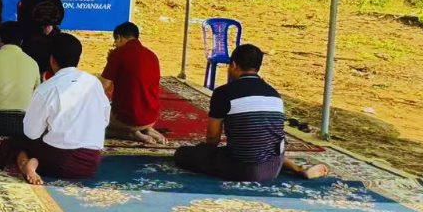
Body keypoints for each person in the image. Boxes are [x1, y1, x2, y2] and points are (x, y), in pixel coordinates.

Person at [174, 45, 329, 182]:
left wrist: (205, 154)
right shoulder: (274, 94)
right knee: (263, 147)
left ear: (234, 65)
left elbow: (213, 138)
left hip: (242, 169)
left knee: (183, 154)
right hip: (273, 167)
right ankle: (297, 168)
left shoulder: (223, 93)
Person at [0, 33, 109, 184]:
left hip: (58, 162)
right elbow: (105, 119)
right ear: (78, 58)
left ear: (52, 60)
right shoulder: (94, 83)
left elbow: (31, 133)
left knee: (15, 142)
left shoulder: (47, 88)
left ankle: (26, 165)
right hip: (90, 163)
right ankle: (35, 162)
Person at [99, 22, 165, 145]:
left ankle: (130, 133)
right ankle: (146, 129)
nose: (116, 45)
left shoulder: (118, 54)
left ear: (119, 37)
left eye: (115, 42)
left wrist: (111, 61)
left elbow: (102, 87)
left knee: (93, 124)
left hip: (127, 119)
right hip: (151, 117)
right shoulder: (152, 55)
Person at [17, 0, 65, 73]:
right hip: (33, 33)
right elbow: (23, 19)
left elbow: (58, 12)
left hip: (51, 30)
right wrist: (40, 27)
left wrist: (51, 25)